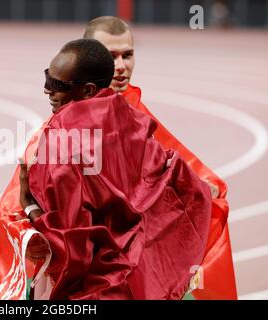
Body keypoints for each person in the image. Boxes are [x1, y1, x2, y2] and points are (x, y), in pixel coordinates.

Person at [0, 38, 212, 300]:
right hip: (146, 282)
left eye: (57, 84)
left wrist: (28, 205)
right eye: (47, 77)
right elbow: (183, 188)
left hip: (99, 290)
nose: (47, 90)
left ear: (87, 90)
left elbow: (70, 245)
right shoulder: (134, 121)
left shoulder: (62, 143)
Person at [83, 16, 237, 300]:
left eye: (127, 55)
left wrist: (200, 186)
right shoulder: (71, 118)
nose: (121, 67)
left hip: (137, 258)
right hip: (96, 263)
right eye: (110, 56)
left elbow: (173, 160)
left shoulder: (134, 108)